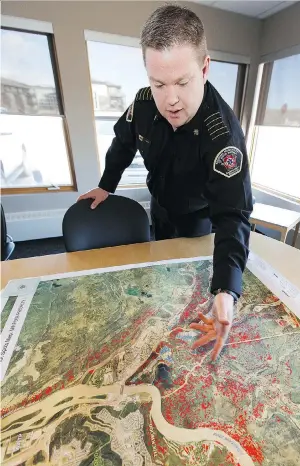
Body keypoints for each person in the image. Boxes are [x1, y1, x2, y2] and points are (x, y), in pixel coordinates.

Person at [78, 4, 253, 361]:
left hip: (199, 221)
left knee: (190, 290)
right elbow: (122, 144)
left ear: (204, 68)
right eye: (159, 83)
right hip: (159, 208)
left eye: (182, 82)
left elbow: (233, 216)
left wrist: (225, 291)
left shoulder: (222, 137)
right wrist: (106, 184)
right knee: (160, 282)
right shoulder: (143, 105)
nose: (170, 100)